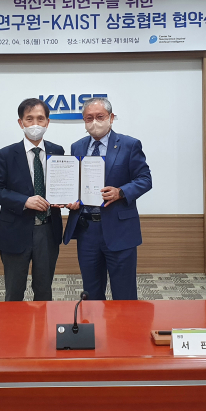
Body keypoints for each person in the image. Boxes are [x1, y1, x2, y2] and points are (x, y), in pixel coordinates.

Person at [63, 98, 152, 300]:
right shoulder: (77, 147)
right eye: (89, 118)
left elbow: (145, 179)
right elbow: (75, 183)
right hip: (87, 230)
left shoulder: (129, 144)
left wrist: (121, 192)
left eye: (100, 116)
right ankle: (95, 322)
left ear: (111, 118)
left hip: (119, 229)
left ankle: (125, 323)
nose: (94, 122)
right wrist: (71, 199)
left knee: (124, 294)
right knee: (91, 292)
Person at [0, 98, 65, 301]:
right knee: (14, 292)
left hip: (47, 231)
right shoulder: (5, 154)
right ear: (20, 122)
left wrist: (68, 199)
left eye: (40, 119)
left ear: (47, 122)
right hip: (15, 231)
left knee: (44, 291)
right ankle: (13, 324)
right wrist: (24, 201)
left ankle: (42, 323)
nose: (35, 124)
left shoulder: (58, 151)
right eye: (29, 119)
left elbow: (63, 185)